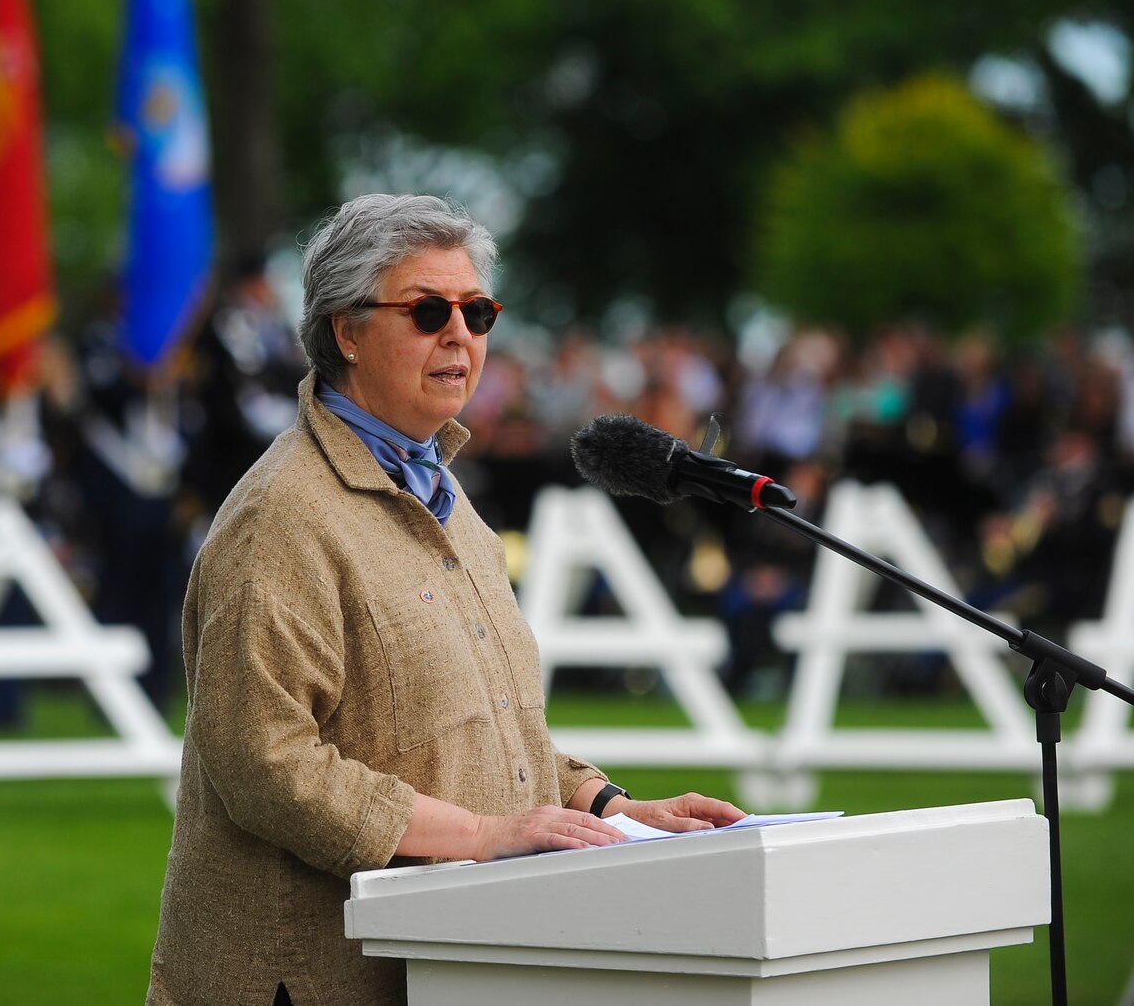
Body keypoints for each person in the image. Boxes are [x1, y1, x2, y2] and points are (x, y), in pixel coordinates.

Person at [148, 194, 744, 1006]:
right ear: (346, 332)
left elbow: (490, 721)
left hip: (451, 962)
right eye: (429, 310)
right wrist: (481, 836)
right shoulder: (281, 514)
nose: (460, 333)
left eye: (478, 310)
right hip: (307, 978)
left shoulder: (445, 493)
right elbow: (262, 761)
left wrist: (614, 810)